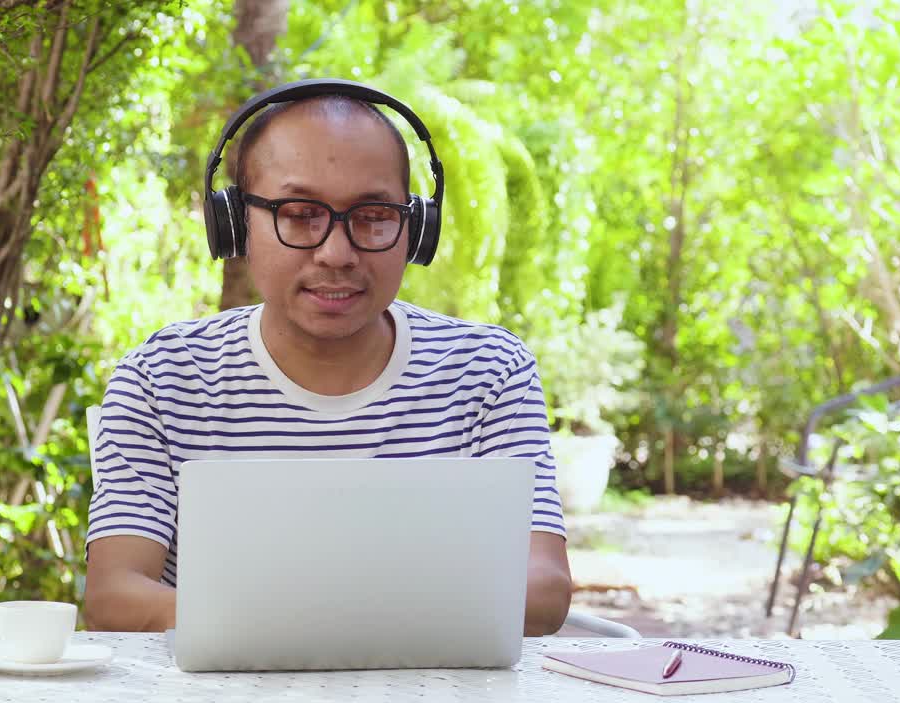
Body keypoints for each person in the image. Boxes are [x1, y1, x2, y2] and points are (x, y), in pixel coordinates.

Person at [83, 87, 571, 636]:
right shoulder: (162, 379)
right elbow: (113, 596)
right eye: (299, 214)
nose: (336, 253)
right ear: (236, 224)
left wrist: (309, 615)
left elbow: (544, 589)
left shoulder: (489, 372)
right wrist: (325, 618)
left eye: (373, 215)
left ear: (416, 229)